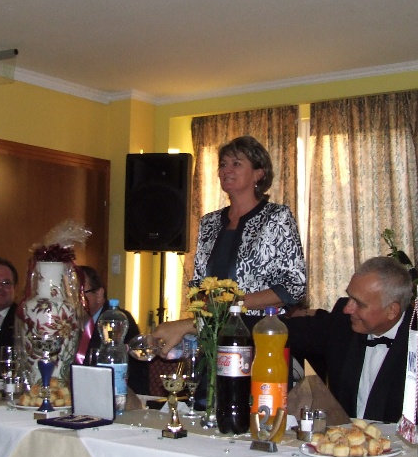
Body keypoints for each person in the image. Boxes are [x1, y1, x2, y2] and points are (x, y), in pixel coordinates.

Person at [154, 135, 307, 348]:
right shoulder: (209, 222)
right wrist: (201, 316)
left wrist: (233, 304)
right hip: (211, 338)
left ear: (259, 173)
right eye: (223, 165)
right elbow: (198, 285)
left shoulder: (276, 217)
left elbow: (294, 286)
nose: (227, 170)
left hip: (261, 337)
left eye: (236, 164)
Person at [286, 256, 418, 426]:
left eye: (359, 304)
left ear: (392, 310)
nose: (347, 308)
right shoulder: (342, 323)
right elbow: (285, 332)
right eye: (349, 297)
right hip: (344, 441)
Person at [78, 265, 149, 395]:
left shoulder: (116, 321)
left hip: (121, 396)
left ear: (99, 294)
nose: (73, 301)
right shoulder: (69, 322)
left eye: (80, 294)